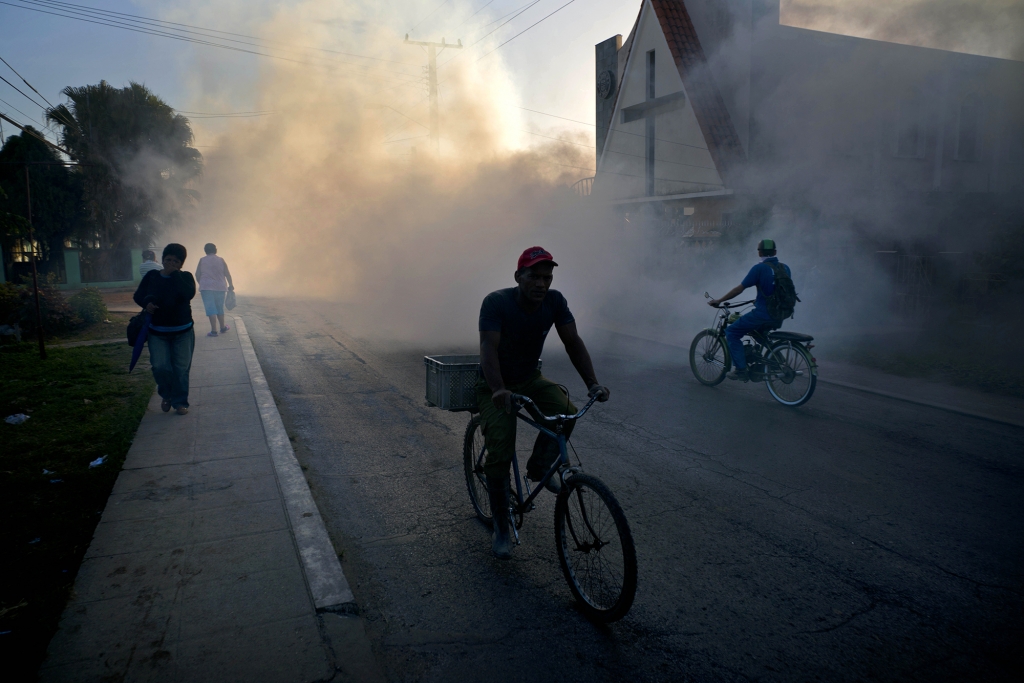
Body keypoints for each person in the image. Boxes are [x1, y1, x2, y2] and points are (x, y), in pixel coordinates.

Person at [476, 246, 610, 559]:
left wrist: (592, 383)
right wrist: (497, 389)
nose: (541, 283)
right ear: (518, 277)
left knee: (567, 412)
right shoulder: (496, 302)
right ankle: (501, 528)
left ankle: (538, 470)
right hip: (494, 385)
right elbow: (488, 347)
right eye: (534, 276)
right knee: (500, 447)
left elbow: (572, 342)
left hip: (529, 378)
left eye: (546, 277)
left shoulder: (555, 301)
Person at [708, 238, 793, 382]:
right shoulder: (785, 268)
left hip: (763, 314)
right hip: (781, 314)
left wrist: (719, 300)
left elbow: (739, 289)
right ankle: (774, 359)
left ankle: (741, 370)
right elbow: (778, 291)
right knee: (759, 334)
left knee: (732, 332)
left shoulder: (758, 269)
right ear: (775, 252)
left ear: (759, 253)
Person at [133, 243, 197, 415]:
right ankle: (166, 394)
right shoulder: (152, 276)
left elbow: (188, 294)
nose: (171, 264)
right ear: (161, 260)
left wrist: (174, 274)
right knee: (160, 366)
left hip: (183, 331)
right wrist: (147, 304)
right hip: (158, 332)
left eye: (176, 261)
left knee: (181, 368)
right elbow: (138, 296)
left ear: (181, 264)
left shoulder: (186, 277)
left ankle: (180, 402)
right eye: (168, 260)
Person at [194, 243, 234, 337]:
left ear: (205, 250)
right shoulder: (221, 260)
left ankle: (214, 331)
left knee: (211, 308)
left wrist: (202, 283)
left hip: (206, 288)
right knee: (219, 307)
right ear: (215, 249)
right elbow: (227, 274)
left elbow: (197, 274)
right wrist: (231, 285)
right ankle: (223, 327)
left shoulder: (202, 260)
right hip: (220, 287)